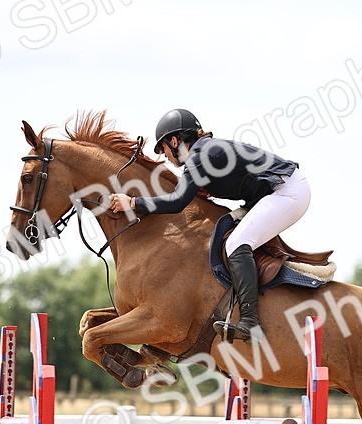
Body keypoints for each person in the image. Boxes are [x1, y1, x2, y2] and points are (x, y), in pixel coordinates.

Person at [109, 109, 311, 341]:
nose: (165, 157)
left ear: (174, 141)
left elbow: (177, 202)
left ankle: (250, 322)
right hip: (276, 192)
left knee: (236, 243)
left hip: (287, 192)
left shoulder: (199, 155)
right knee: (228, 230)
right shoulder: (204, 152)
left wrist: (133, 202)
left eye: (163, 149)